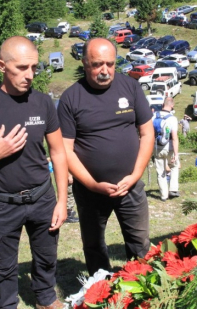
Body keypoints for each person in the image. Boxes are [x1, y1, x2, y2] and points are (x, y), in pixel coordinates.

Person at [0, 36, 68, 309]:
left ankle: (46, 299)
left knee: (46, 257)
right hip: (1, 203)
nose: (29, 75)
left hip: (42, 197)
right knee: (4, 267)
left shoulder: (42, 103)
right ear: (1, 66)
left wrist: (62, 201)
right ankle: (6, 305)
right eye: (21, 68)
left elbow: (58, 152)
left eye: (34, 68)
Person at [57, 37, 153, 276]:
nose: (105, 70)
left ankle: (140, 285)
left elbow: (147, 132)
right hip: (90, 191)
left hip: (130, 186)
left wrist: (135, 175)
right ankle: (100, 289)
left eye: (110, 64)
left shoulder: (130, 87)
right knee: (93, 245)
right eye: (98, 64)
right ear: (85, 63)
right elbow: (64, 150)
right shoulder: (71, 98)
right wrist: (91, 184)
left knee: (139, 242)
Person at [153, 97, 180, 201]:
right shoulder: (172, 118)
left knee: (160, 172)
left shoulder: (154, 115)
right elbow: (174, 137)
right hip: (169, 148)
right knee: (174, 166)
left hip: (157, 147)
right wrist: (176, 154)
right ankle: (173, 189)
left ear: (163, 104)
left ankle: (163, 195)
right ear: (172, 105)